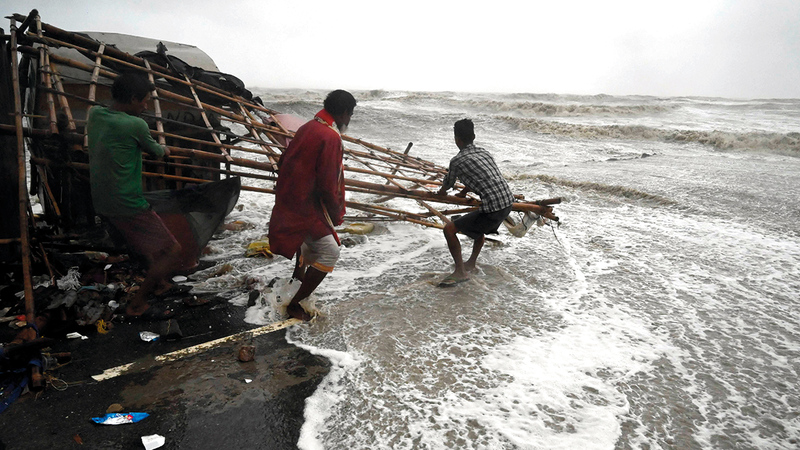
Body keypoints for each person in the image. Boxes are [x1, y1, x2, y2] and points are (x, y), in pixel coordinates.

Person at [87, 72, 181, 320]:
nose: (146, 106)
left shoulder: (95, 115)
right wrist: (167, 149)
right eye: (144, 101)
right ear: (131, 98)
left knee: (142, 242)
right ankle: (138, 303)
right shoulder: (135, 125)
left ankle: (158, 283)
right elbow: (158, 152)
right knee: (173, 250)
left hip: (102, 201)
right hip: (126, 202)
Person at [268, 90, 356, 320]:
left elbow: (283, 160)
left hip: (291, 200)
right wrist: (336, 212)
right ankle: (295, 304)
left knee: (306, 242)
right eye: (350, 114)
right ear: (345, 112)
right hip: (306, 206)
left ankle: (297, 279)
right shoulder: (330, 136)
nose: (349, 119)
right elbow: (328, 183)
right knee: (330, 251)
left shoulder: (307, 127)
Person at [436, 118, 515, 286]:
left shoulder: (456, 161)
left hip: (493, 208)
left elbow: (448, 184)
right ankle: (470, 263)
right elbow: (484, 177)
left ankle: (460, 272)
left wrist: (440, 194)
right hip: (508, 202)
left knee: (449, 229)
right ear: (474, 136)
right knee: (478, 226)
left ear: (457, 139)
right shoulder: (484, 152)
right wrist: (464, 191)